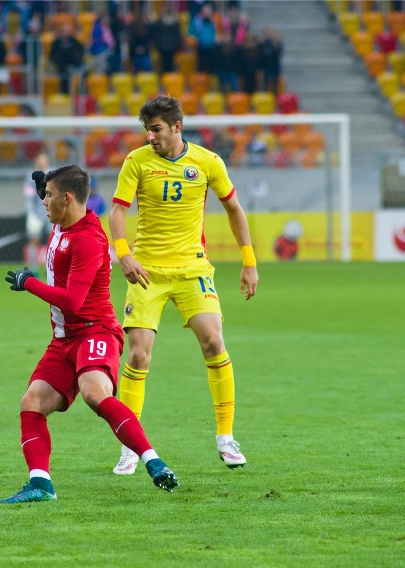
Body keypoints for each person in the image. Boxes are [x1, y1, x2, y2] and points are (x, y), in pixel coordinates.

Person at [0, 165, 179, 504]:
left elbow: (73, 302)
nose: (44, 202)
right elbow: (60, 204)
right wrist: (46, 190)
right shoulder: (65, 218)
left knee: (94, 392)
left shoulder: (88, 242)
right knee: (32, 402)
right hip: (63, 339)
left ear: (67, 200)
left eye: (49, 197)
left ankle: (153, 462)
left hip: (95, 330)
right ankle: (40, 484)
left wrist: (30, 283)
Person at [108, 95, 258, 476]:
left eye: (156, 129)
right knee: (138, 355)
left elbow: (234, 209)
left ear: (177, 127)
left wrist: (249, 262)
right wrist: (124, 254)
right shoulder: (137, 161)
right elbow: (118, 211)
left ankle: (226, 438)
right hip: (147, 272)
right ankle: (130, 447)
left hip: (192, 269)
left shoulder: (208, 162)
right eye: (147, 130)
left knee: (214, 342)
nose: (150, 137)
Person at [24, 152, 51, 270]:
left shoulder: (53, 175)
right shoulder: (31, 177)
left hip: (52, 212)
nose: (42, 162)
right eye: (40, 160)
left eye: (44, 160)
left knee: (53, 241)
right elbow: (29, 196)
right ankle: (34, 269)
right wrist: (31, 212)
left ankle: (51, 268)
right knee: (33, 240)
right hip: (36, 213)